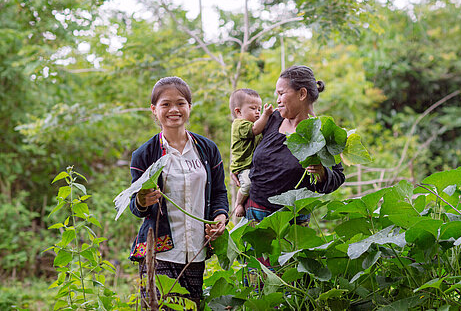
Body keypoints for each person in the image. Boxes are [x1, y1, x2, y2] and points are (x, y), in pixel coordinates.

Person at [128, 76, 229, 308]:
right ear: (154, 110)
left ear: (189, 107)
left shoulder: (207, 149)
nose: (174, 109)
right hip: (159, 253)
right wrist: (143, 201)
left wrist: (220, 219)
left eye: (181, 103)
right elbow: (136, 206)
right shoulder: (144, 154)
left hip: (196, 249)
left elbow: (219, 193)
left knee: (192, 306)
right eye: (166, 104)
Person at [242, 65, 346, 224]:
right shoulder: (272, 119)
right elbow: (244, 140)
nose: (277, 100)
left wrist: (322, 174)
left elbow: (338, 176)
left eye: (281, 93)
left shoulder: (323, 132)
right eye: (277, 94)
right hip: (255, 212)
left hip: (293, 221)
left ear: (302, 94)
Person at [229, 89, 273, 217]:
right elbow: (255, 130)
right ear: (238, 112)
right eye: (253, 108)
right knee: (247, 184)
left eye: (259, 109)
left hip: (252, 164)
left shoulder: (253, 122)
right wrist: (266, 115)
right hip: (243, 165)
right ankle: (238, 204)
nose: (257, 112)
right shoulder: (239, 124)